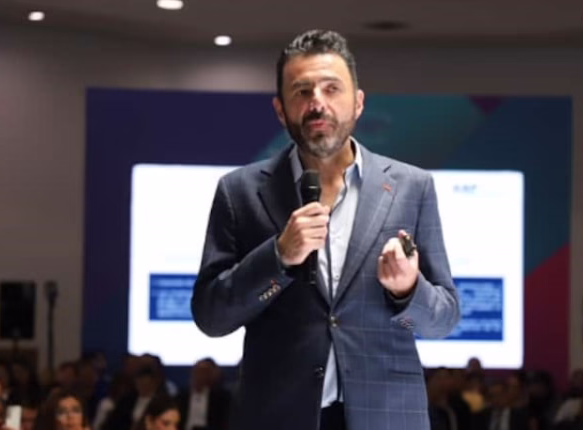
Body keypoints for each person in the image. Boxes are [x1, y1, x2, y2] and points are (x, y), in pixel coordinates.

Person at [191, 29, 460, 430]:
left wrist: (407, 291)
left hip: (386, 417)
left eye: (332, 89)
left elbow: (442, 320)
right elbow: (212, 317)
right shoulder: (239, 192)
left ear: (358, 103)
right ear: (280, 110)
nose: (317, 102)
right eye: (302, 92)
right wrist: (278, 257)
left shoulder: (412, 188)